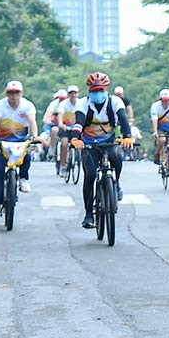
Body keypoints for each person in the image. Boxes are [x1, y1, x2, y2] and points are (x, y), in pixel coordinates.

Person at [64, 72, 134, 226]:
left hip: (108, 141)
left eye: (101, 90)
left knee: (117, 157)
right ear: (89, 90)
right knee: (89, 175)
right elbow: (79, 123)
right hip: (89, 143)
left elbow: (123, 119)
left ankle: (116, 184)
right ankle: (89, 214)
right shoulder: (83, 103)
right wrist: (75, 139)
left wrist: (128, 136)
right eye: (94, 91)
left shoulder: (115, 102)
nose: (98, 93)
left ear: (106, 89)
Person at [0, 81, 39, 216]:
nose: (14, 96)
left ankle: (23, 179)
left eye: (17, 93)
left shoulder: (28, 105)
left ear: (21, 93)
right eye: (11, 93)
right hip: (3, 141)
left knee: (28, 156)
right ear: (7, 94)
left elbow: (32, 122)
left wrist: (35, 136)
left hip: (21, 141)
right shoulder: (0, 106)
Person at [56, 85, 81, 172]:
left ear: (77, 94)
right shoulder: (63, 104)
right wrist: (60, 123)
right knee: (64, 144)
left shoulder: (81, 103)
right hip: (66, 128)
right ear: (68, 94)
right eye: (71, 93)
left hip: (77, 128)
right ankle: (63, 165)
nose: (73, 95)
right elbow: (60, 115)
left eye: (75, 93)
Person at [42, 89, 67, 164]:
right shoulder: (53, 104)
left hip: (66, 124)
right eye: (60, 99)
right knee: (54, 130)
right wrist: (48, 121)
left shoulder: (69, 104)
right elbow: (46, 117)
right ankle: (52, 148)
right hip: (55, 124)